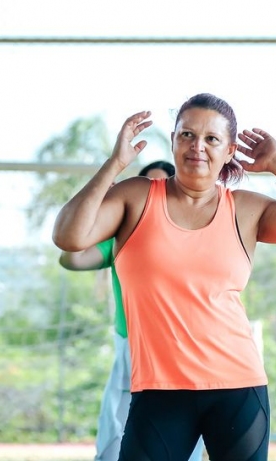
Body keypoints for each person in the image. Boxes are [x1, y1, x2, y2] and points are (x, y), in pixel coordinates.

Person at [53, 93, 276, 461]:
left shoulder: (244, 209)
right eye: (187, 135)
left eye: (212, 139)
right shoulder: (137, 197)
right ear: (174, 141)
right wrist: (114, 165)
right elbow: (68, 236)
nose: (198, 147)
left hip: (238, 386)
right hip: (159, 390)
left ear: (229, 150)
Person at [60, 160, 206, 461]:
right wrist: (98, 199)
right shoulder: (121, 239)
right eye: (145, 188)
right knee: (117, 442)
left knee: (180, 441)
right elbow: (71, 257)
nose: (153, 195)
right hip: (132, 350)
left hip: (184, 353)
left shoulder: (196, 239)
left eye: (161, 188)